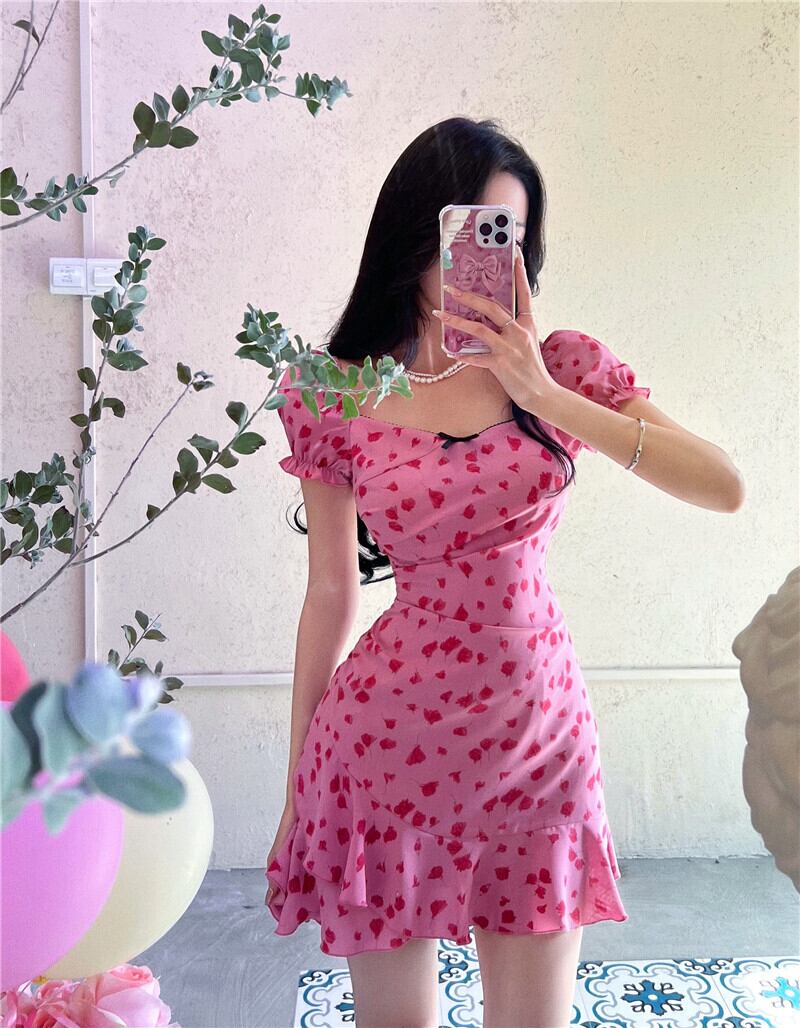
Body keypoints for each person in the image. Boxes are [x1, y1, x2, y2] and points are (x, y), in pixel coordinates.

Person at [264, 116, 745, 1028]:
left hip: (539, 743)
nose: (491, 259)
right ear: (416, 235)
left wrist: (545, 395)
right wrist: (295, 788)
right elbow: (330, 591)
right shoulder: (333, 389)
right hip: (386, 747)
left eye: (511, 237)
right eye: (472, 231)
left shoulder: (563, 366)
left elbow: (723, 486)